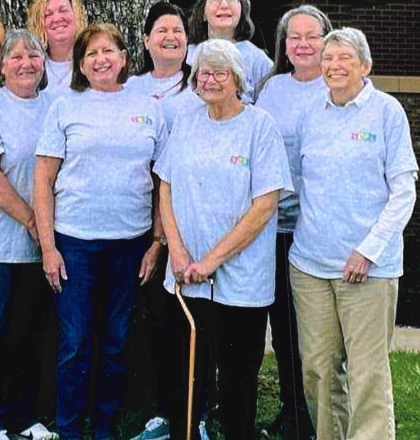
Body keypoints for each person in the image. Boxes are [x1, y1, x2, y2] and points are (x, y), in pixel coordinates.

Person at [34, 23, 167, 440]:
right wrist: (48, 247)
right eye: (90, 54)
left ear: (125, 57)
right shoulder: (64, 105)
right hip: (75, 244)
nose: (100, 60)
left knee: (115, 341)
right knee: (75, 342)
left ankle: (104, 426)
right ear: (80, 63)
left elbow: (164, 179)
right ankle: (71, 428)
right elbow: (43, 180)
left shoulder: (149, 105)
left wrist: (157, 243)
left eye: (108, 51)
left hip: (131, 243)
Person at [156, 39, 292, 440]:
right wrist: (178, 253)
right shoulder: (186, 121)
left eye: (220, 73)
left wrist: (212, 260)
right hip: (185, 274)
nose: (210, 80)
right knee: (186, 371)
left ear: (237, 80)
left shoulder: (259, 126)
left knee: (238, 376)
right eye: (203, 73)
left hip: (241, 281)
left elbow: (264, 205)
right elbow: (165, 186)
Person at [289, 27, 418, 440]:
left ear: (366, 65)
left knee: (367, 375)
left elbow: (404, 191)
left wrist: (368, 251)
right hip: (310, 266)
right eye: (328, 59)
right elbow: (297, 184)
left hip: (367, 269)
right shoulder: (311, 114)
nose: (334, 65)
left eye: (344, 57)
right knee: (319, 371)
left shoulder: (386, 111)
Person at [0, 28, 57, 440]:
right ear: (1, 67)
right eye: (15, 56)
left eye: (33, 56)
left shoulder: (55, 106)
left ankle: (26, 416)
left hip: (38, 245)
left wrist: (43, 230)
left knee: (28, 331)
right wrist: (34, 221)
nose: (25, 63)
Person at [255, 5, 332, 439]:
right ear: (284, 45)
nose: (303, 45)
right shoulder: (272, 89)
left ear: (327, 39)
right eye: (294, 37)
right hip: (275, 227)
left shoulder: (338, 84)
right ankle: (293, 407)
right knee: (283, 323)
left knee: (317, 325)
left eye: (312, 36)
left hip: (321, 227)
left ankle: (325, 409)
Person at [125, 3, 200, 440]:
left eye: (178, 30)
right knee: (154, 318)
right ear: (147, 39)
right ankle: (160, 410)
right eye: (161, 30)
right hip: (138, 220)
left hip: (186, 222)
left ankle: (196, 413)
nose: (170, 37)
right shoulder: (130, 87)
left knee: (189, 321)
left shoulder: (199, 85)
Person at [187, 0, 272, 104]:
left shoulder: (258, 61)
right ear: (202, 12)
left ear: (242, 9)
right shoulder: (184, 56)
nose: (224, 5)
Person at [26, 0, 87, 96]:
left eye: (63, 10)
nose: (57, 19)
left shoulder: (92, 63)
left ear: (76, 15)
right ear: (39, 23)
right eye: (48, 14)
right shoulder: (33, 68)